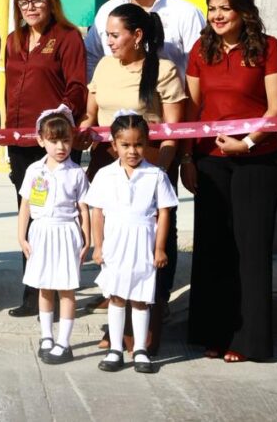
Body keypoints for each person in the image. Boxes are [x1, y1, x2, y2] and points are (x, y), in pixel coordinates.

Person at [182, 0, 277, 363]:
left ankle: (248, 340)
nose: (217, 15)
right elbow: (192, 111)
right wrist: (188, 158)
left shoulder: (268, 48)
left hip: (257, 160)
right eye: (212, 8)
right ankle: (213, 332)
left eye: (225, 8)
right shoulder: (201, 49)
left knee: (250, 249)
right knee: (213, 248)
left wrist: (248, 142)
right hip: (210, 160)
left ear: (244, 11)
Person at [78, 3, 185, 353]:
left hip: (148, 170)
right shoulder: (106, 66)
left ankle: (145, 335)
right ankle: (113, 331)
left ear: (137, 35)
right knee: (113, 251)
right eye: (106, 34)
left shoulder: (165, 70)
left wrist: (159, 174)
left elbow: (173, 132)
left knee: (149, 255)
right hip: (106, 168)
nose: (107, 41)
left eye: (114, 34)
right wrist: (80, 126)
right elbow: (90, 113)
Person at [3, 0, 87, 317]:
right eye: (24, 2)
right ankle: (33, 291)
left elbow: (77, 85)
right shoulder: (14, 39)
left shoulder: (67, 37)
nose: (31, 7)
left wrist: (59, 115)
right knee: (32, 212)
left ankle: (61, 288)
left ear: (50, 1)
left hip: (54, 141)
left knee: (60, 215)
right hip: (21, 140)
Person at [84, 112, 177, 375]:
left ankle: (140, 349)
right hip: (115, 245)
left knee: (140, 299)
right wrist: (98, 246)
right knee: (116, 297)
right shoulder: (105, 175)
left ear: (146, 143)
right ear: (114, 145)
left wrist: (159, 248)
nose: (132, 151)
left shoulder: (156, 175)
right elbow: (97, 212)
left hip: (143, 246)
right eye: (125, 145)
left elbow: (165, 212)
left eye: (138, 144)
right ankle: (115, 348)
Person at [18, 105, 89, 365]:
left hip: (66, 232)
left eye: (66, 140)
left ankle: (64, 341)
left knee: (67, 289)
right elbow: (25, 204)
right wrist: (21, 237)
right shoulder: (35, 171)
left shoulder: (77, 173)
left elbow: (83, 208)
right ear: (41, 140)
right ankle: (46, 335)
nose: (61, 146)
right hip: (41, 232)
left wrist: (87, 239)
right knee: (45, 287)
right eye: (54, 140)